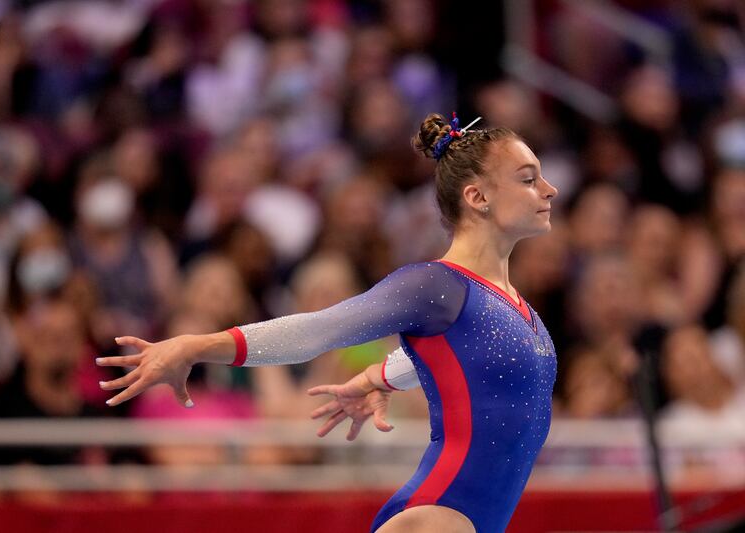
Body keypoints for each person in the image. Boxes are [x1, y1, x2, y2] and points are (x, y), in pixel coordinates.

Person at [96, 112, 559, 533]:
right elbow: (316, 331)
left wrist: (380, 376)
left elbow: (470, 355)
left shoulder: (516, 304)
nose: (549, 190)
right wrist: (196, 346)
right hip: (439, 519)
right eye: (528, 179)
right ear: (476, 197)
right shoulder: (436, 284)